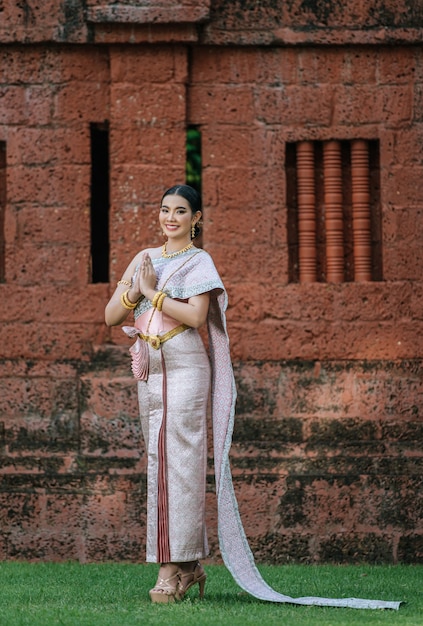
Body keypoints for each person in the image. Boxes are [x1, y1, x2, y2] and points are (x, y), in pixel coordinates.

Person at [105, 184, 400, 610]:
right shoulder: (143, 258)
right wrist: (136, 290)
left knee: (182, 466)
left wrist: (152, 294)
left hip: (187, 369)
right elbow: (112, 315)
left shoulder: (199, 260)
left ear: (197, 218)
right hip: (150, 371)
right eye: (165, 210)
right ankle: (186, 566)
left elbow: (196, 317)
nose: (171, 218)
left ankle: (171, 570)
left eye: (181, 211)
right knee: (159, 462)